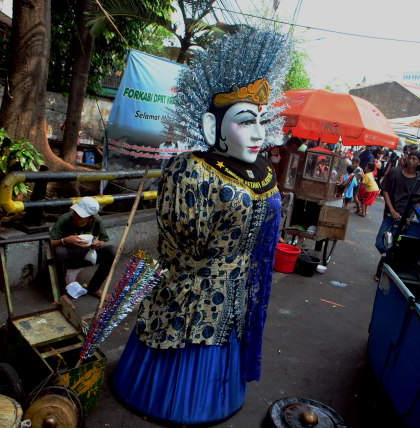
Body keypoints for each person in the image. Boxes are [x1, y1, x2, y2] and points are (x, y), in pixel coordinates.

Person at [111, 29, 292, 425]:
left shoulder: (262, 171)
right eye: (245, 122)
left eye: (260, 121)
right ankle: (169, 399)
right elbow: (184, 244)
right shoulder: (192, 171)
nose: (259, 133)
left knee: (220, 356)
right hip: (189, 296)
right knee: (176, 367)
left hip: (235, 297)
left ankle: (215, 399)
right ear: (213, 126)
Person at [49, 196, 116, 308]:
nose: (76, 217)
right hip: (67, 258)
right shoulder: (65, 219)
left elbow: (104, 240)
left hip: (87, 255)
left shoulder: (97, 221)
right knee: (59, 251)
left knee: (112, 251)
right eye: (75, 213)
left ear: (91, 218)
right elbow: (50, 243)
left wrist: (98, 244)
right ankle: (61, 293)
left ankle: (94, 288)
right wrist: (64, 241)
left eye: (80, 216)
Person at [373, 150, 420, 281]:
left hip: (405, 218)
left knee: (395, 246)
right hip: (391, 215)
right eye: (409, 158)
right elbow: (385, 191)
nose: (410, 161)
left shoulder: (419, 179)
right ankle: (386, 262)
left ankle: (382, 272)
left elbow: (418, 201)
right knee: (381, 243)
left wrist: (410, 219)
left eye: (414, 159)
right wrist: (392, 210)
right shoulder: (395, 172)